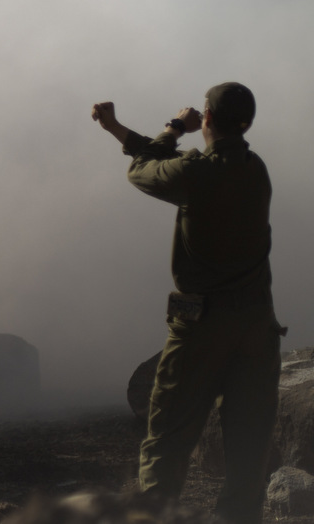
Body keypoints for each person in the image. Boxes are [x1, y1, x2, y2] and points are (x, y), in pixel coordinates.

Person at [91, 82, 281, 524]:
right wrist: (116, 128)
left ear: (207, 120)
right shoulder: (255, 170)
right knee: (249, 448)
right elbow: (165, 164)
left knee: (168, 440)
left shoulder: (198, 173)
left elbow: (143, 170)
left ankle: (156, 518)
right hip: (256, 325)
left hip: (203, 327)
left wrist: (176, 126)